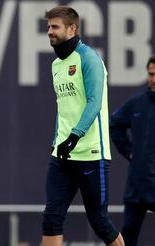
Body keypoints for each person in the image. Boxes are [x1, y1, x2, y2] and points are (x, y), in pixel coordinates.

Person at [41, 6, 124, 246]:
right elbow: (63, 109)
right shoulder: (56, 65)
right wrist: (60, 141)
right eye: (48, 27)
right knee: (51, 218)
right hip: (62, 154)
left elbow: (94, 103)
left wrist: (75, 136)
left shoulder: (89, 58)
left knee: (99, 221)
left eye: (55, 27)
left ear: (72, 28)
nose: (49, 32)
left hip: (91, 154)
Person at [109, 56, 155, 246]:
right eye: (151, 74)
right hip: (137, 185)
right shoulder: (137, 103)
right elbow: (114, 124)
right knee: (128, 235)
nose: (153, 78)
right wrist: (128, 151)